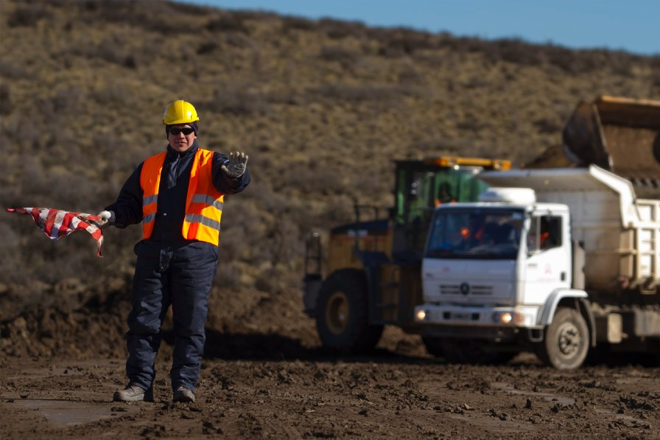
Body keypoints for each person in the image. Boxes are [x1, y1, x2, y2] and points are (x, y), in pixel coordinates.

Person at [98, 100, 251, 403]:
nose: (181, 136)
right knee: (144, 322)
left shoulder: (212, 162)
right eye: (174, 131)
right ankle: (140, 385)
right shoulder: (149, 166)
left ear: (196, 131)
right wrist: (111, 215)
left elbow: (230, 183)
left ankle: (184, 385)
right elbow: (131, 204)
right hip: (153, 253)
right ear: (166, 132)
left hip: (195, 255)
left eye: (186, 130)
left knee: (190, 323)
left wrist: (235, 175)